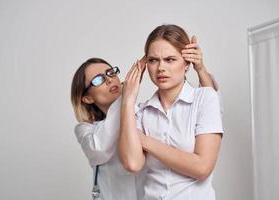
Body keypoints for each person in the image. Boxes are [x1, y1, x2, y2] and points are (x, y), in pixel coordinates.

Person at [71, 34, 217, 199]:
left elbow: (209, 109)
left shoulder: (141, 112)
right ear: (87, 98)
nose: (109, 80)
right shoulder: (86, 130)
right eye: (98, 80)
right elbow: (100, 147)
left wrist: (200, 70)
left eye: (110, 72)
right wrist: (126, 98)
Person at [119, 24, 223, 200]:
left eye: (170, 59)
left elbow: (202, 168)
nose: (160, 68)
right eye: (153, 60)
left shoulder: (205, 99)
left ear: (187, 63)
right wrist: (128, 101)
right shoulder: (141, 112)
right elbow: (132, 163)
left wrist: (144, 141)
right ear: (145, 65)